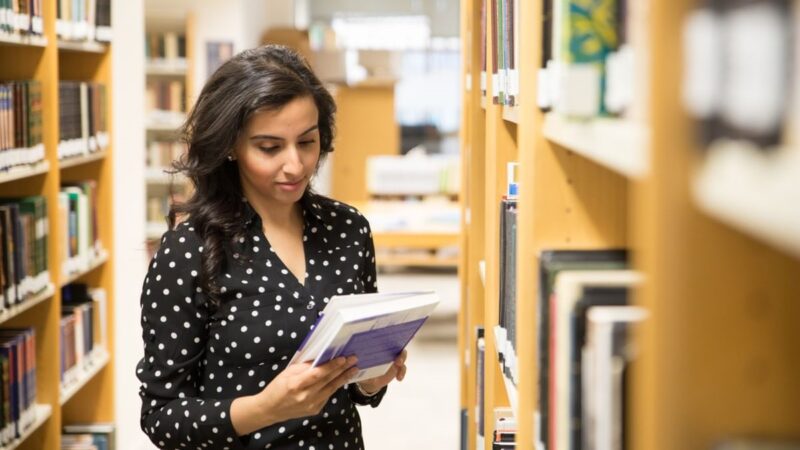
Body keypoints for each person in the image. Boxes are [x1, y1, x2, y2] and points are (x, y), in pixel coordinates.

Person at [136, 44, 407, 450]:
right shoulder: (189, 249)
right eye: (269, 147)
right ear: (232, 146)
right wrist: (266, 408)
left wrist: (370, 382)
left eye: (307, 142)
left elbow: (353, 387)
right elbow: (161, 417)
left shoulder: (349, 229)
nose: (295, 165)